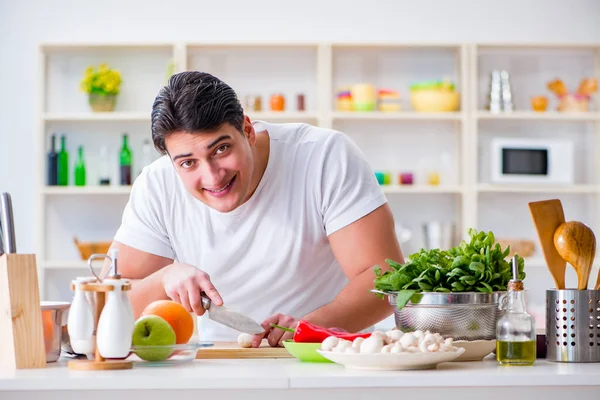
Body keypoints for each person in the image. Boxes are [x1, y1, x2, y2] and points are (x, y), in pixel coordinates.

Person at [107, 71, 404, 347]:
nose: (212, 177)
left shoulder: (324, 155)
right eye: (188, 163)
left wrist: (309, 328)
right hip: (223, 361)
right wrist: (165, 277)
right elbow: (108, 304)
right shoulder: (157, 185)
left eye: (221, 149)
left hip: (326, 353)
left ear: (247, 130)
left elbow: (387, 280)